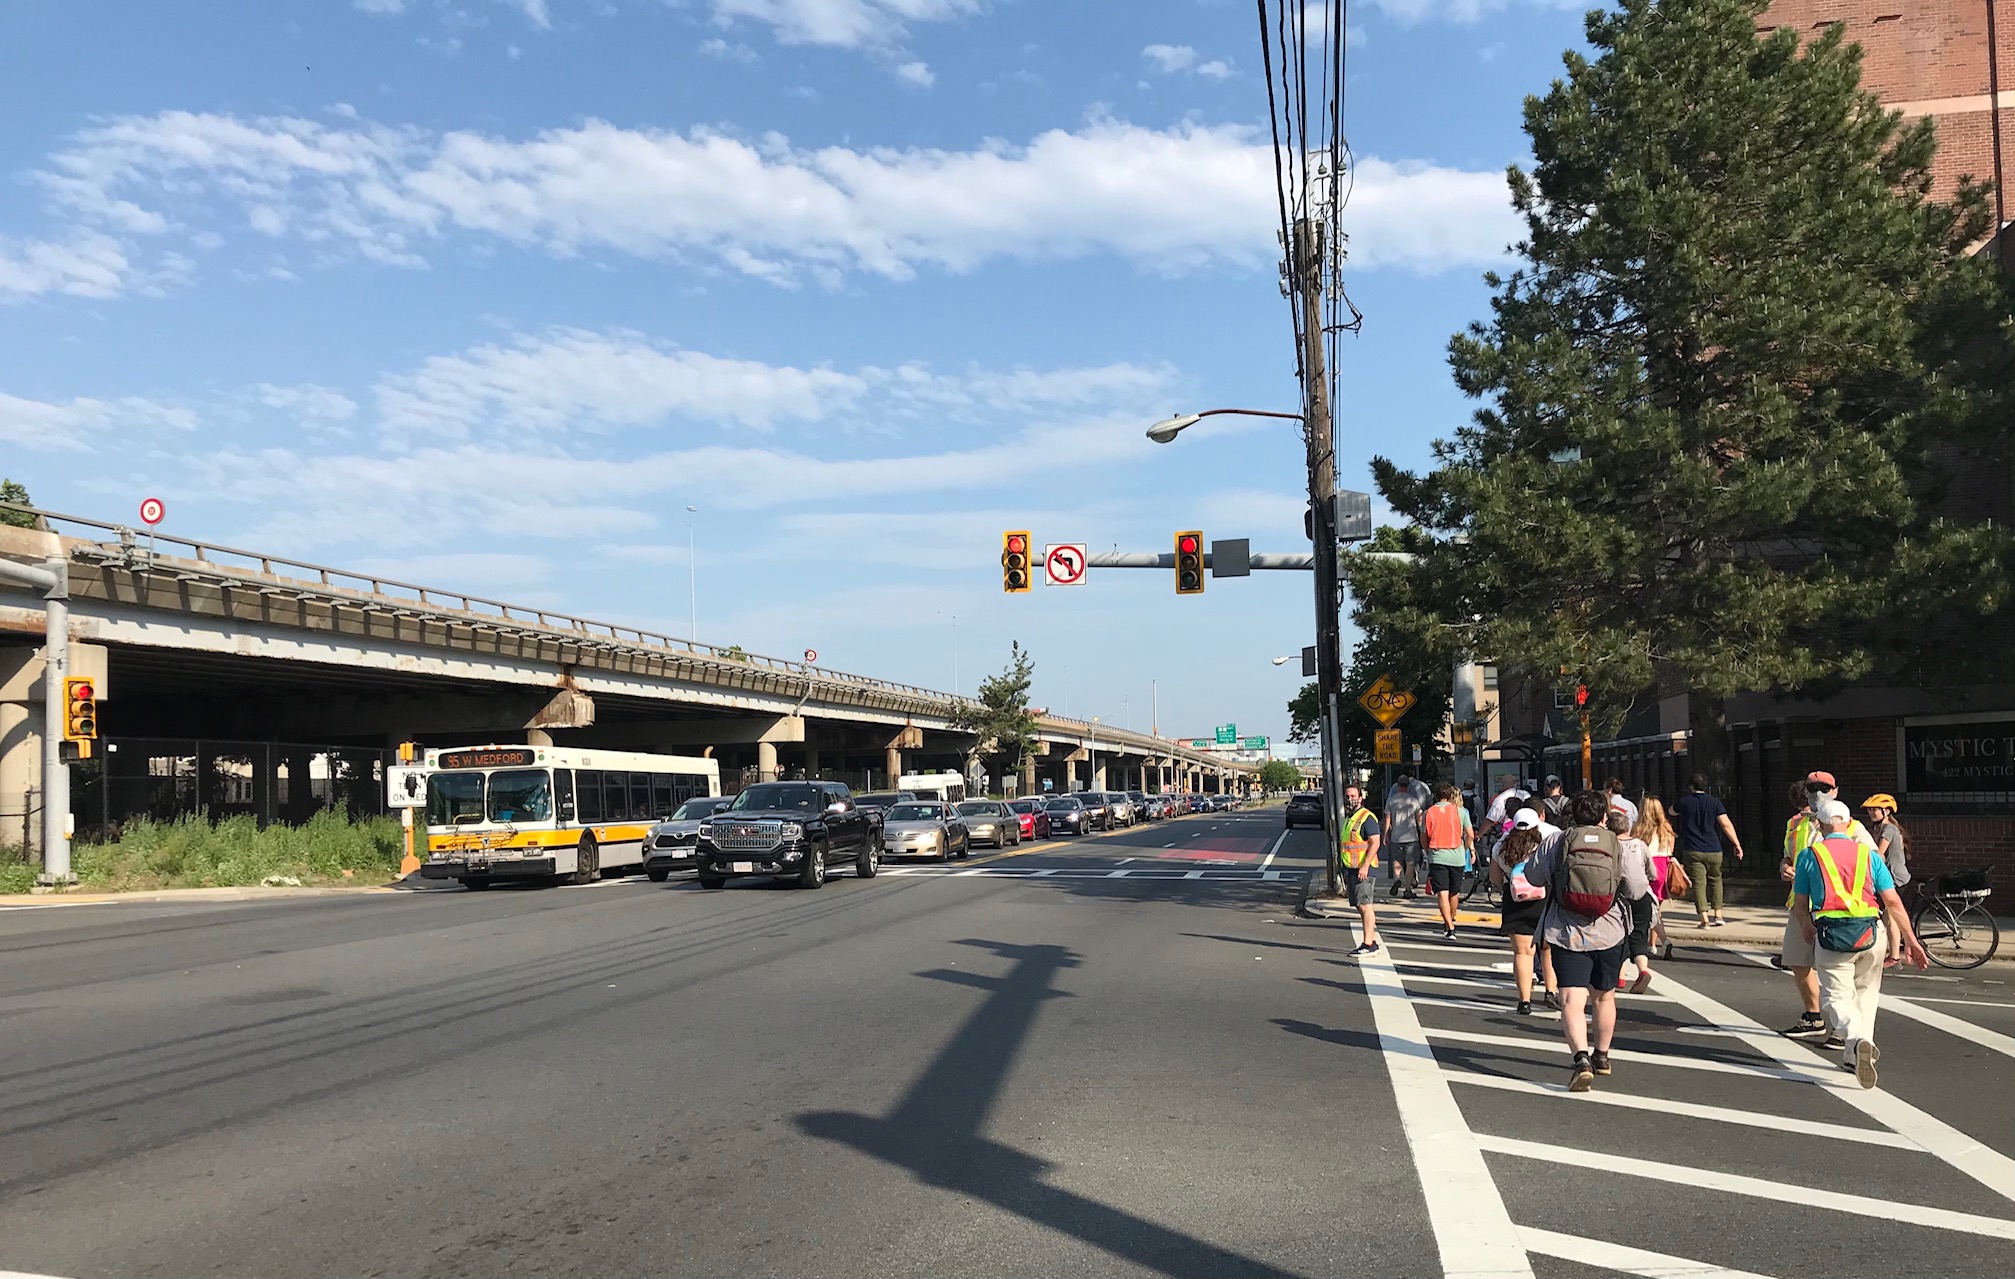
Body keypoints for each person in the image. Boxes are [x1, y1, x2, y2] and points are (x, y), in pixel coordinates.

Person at [1790, 799, 1930, 1087]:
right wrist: (1910, 941)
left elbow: (1801, 904)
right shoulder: (1869, 855)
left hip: (1832, 935)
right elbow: (1892, 901)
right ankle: (1856, 1057)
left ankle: (1857, 1038)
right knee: (1867, 993)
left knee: (1836, 999)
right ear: (1847, 822)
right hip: (1871, 932)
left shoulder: (1809, 855)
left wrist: (1806, 928)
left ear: (1821, 825)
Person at [1527, 789, 1648, 1091]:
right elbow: (1635, 889)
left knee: (1571, 998)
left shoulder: (1557, 841)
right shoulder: (1617, 845)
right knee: (1604, 996)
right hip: (1610, 931)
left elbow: (1532, 876)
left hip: (1566, 931)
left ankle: (1580, 1059)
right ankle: (1602, 1056)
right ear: (1605, 817)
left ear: (1572, 814)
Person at [1778, 771, 1877, 1044]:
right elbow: (1788, 856)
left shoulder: (1851, 826)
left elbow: (1873, 863)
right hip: (1801, 906)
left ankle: (1842, 1030)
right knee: (1798, 962)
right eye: (1813, 788)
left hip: (1839, 911)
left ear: (1835, 791)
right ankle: (1813, 1017)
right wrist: (1785, 866)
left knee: (1842, 975)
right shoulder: (1795, 824)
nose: (1817, 794)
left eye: (1824, 788)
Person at [1493, 810, 1557, 1014]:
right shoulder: (1544, 844)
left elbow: (1495, 878)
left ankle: (1525, 1001)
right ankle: (1550, 991)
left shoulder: (1502, 847)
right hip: (1543, 900)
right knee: (1547, 949)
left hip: (1515, 900)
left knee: (1522, 952)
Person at [1670, 774, 1745, 928]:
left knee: (1699, 883)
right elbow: (1726, 824)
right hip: (1714, 848)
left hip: (1693, 848)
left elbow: (1671, 811)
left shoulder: (1684, 801)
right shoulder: (1714, 802)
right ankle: (1718, 914)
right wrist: (1736, 843)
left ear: (1691, 787)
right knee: (1716, 880)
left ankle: (1704, 918)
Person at [1611, 809, 1660, 993]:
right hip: (1642, 896)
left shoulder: (1611, 845)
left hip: (1621, 897)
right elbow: (1653, 873)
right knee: (1639, 935)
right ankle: (1643, 970)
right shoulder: (1640, 845)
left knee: (1619, 935)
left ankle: (1620, 977)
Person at [1422, 781, 1475, 941]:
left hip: (1438, 856)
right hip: (1457, 856)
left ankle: (1449, 926)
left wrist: (1427, 850)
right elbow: (1470, 835)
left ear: (1436, 796)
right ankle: (1450, 920)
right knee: (1454, 892)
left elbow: (1423, 837)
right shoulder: (1461, 812)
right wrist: (1465, 848)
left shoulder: (1429, 813)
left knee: (1442, 893)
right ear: (1450, 795)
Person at [1338, 784, 1384, 957]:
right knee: (1361, 905)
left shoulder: (1366, 818)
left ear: (1361, 797)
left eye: (1353, 796)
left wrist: (1365, 866)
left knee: (1365, 906)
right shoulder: (1351, 818)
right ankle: (1371, 941)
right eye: (1347, 796)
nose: (1350, 799)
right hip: (1352, 868)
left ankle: (1368, 943)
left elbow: (1375, 842)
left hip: (1363, 869)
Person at [1632, 796, 1678, 962]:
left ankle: (1664, 941)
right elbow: (1670, 850)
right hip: (1663, 869)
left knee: (1650, 910)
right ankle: (1653, 944)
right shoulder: (1667, 828)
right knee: (1656, 909)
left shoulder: (1639, 829)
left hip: (1647, 867)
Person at [1384, 772, 1430, 899]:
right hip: (1411, 836)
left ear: (1397, 785)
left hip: (1396, 836)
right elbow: (1419, 819)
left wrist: (1385, 835)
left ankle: (1397, 879)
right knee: (1410, 863)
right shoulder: (1414, 801)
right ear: (1408, 786)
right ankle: (1408, 889)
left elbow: (1387, 819)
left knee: (1397, 861)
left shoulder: (1391, 800)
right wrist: (1422, 832)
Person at [1862, 794, 1910, 894]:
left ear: (1886, 811)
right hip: (1888, 877)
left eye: (1874, 809)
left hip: (1896, 879)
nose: (1870, 813)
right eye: (1869, 810)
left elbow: (1878, 855)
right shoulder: (1879, 828)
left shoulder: (1889, 829)